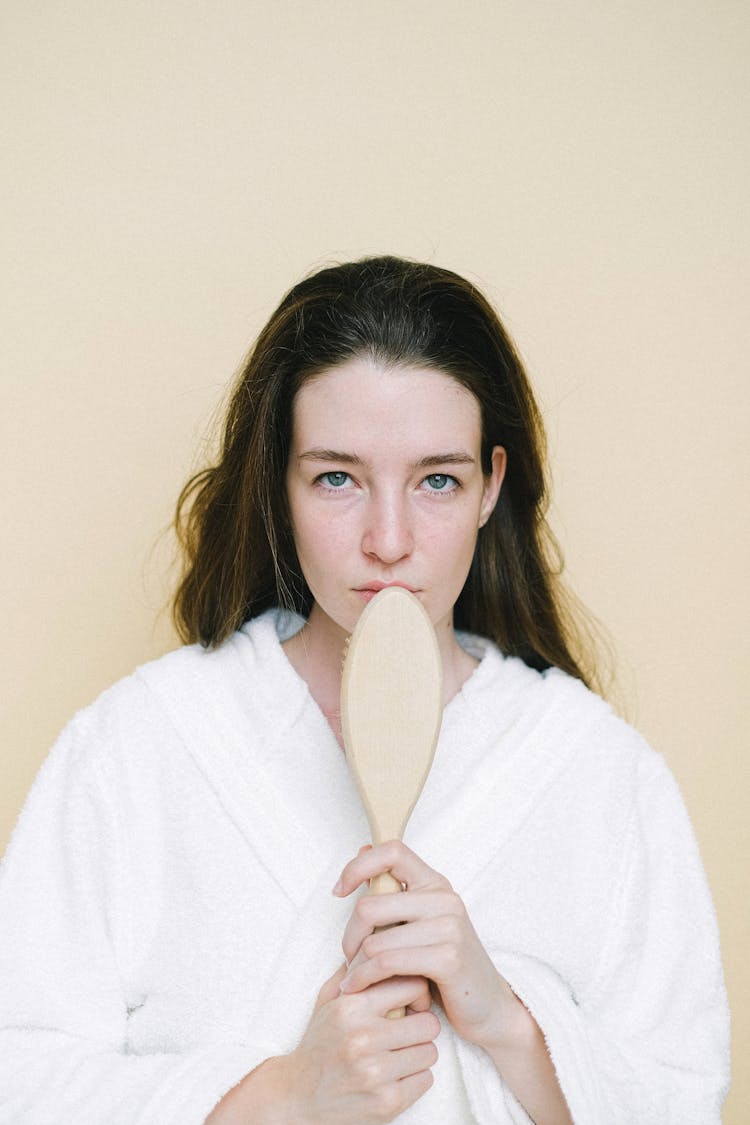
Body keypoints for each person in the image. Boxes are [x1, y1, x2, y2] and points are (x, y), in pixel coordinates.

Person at [0, 256, 729, 1124]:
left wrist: (507, 1019)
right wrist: (283, 1094)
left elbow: (687, 1096)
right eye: (337, 477)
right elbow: (21, 1077)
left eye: (438, 480)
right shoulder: (135, 747)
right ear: (280, 480)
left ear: (493, 484)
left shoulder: (604, 773)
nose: (390, 540)